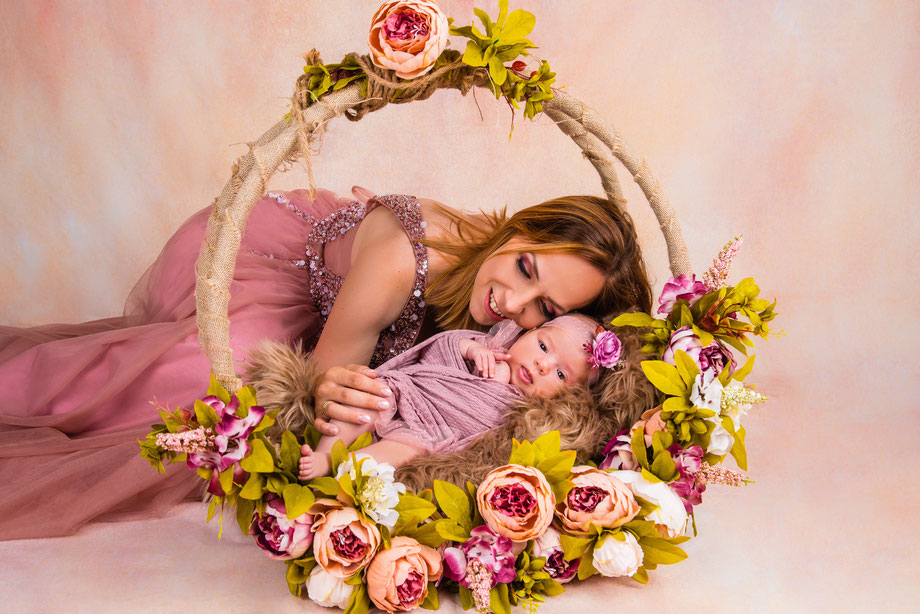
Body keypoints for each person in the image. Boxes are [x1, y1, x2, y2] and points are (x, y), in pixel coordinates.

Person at [0, 186, 651, 539]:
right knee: (218, 391)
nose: (513, 302)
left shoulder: (521, 327)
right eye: (524, 268)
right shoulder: (404, 264)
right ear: (516, 233)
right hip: (266, 266)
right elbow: (321, 394)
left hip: (345, 316)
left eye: (546, 308)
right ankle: (26, 391)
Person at [298, 314, 606, 480]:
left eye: (561, 375)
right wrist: (471, 349)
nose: (542, 364)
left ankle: (347, 472)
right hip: (408, 392)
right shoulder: (491, 344)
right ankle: (326, 453)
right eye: (543, 345)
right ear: (529, 331)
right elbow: (439, 350)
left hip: (429, 433)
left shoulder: (526, 412)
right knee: (367, 396)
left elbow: (488, 437)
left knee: (406, 454)